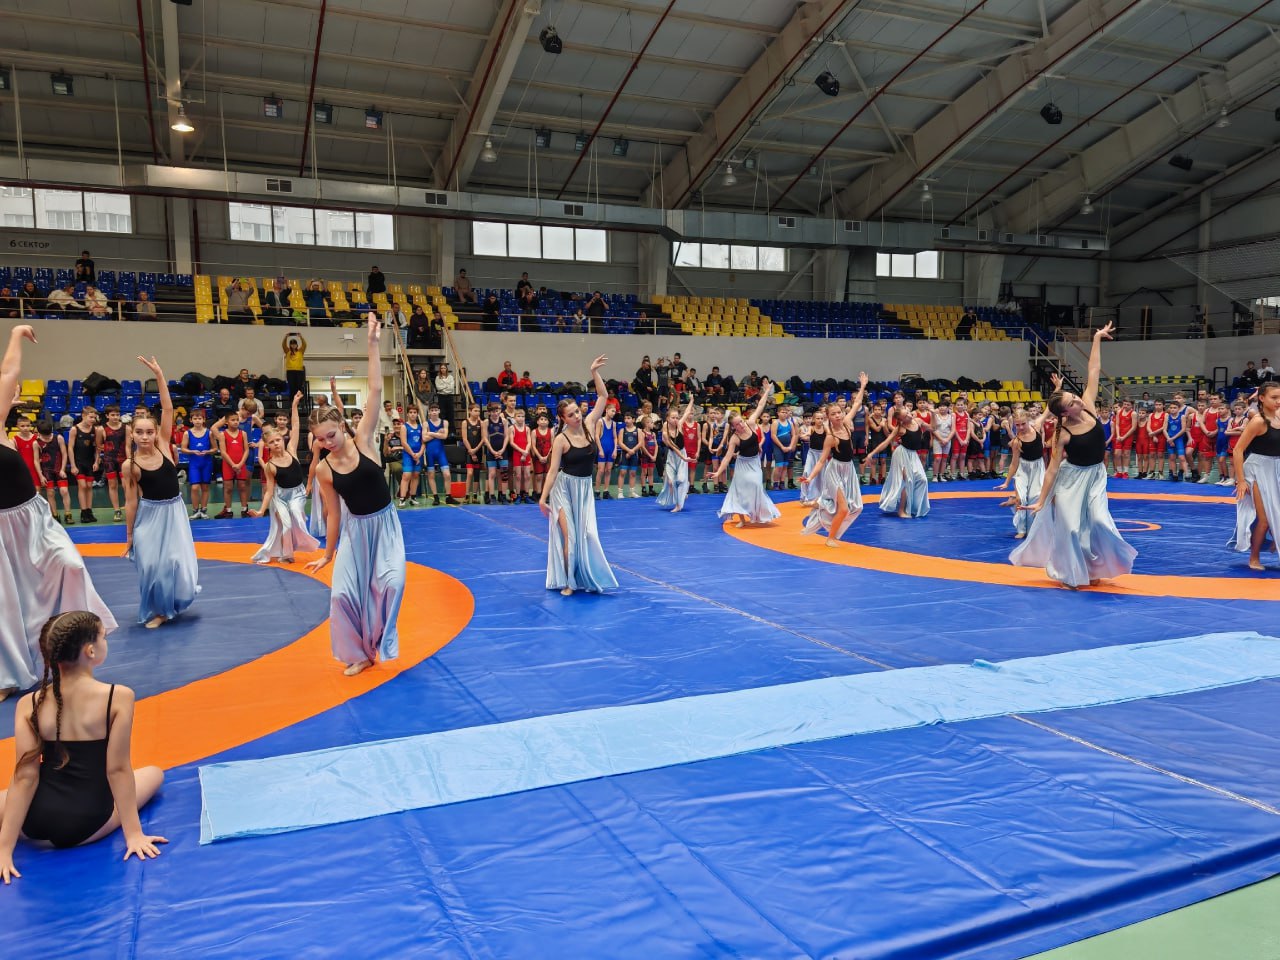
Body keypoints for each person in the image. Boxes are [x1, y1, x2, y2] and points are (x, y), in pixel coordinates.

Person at [0, 612, 165, 880]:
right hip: (87, 822)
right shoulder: (117, 697)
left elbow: (25, 777)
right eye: (103, 636)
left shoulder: (28, 704)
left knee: (10, 791)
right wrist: (133, 834)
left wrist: (4, 849)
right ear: (90, 650)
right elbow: (118, 770)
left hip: (34, 819)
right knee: (154, 772)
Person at [0, 327, 116, 700]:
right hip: (1, 530)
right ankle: (7, 674)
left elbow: (8, 374)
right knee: (6, 605)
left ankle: (74, 646)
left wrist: (16, 334)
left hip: (33, 519)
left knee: (71, 565)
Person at [306, 317, 405, 676]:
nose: (328, 442)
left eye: (331, 434)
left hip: (385, 527)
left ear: (341, 427)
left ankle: (378, 640)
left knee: (391, 584)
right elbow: (333, 514)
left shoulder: (363, 439)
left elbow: (376, 391)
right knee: (342, 595)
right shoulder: (323, 470)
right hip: (354, 531)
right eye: (321, 439)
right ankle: (358, 653)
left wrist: (373, 344)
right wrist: (328, 553)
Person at [1011, 322, 1137, 588]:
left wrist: (1097, 338)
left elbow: (1093, 370)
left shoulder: (1089, 406)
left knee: (1100, 523)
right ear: (1065, 413)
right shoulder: (1063, 433)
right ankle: (1070, 572)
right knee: (1070, 528)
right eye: (1071, 402)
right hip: (1071, 480)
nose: (1078, 400)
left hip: (1095, 475)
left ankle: (1096, 567)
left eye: (1074, 397)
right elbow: (1053, 470)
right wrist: (1042, 501)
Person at [122, 356, 201, 627]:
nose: (145, 437)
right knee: (150, 567)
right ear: (132, 435)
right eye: (139, 433)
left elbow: (167, 409)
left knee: (172, 563)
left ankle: (165, 610)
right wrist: (130, 535)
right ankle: (156, 607)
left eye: (149, 432)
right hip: (150, 516)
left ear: (156, 433)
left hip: (173, 511)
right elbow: (131, 502)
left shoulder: (165, 446)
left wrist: (159, 375)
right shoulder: (129, 465)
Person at [539, 356, 619, 596]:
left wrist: (594, 373)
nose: (577, 416)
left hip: (584, 489)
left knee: (588, 535)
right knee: (570, 537)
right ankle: (568, 582)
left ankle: (585, 573)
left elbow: (604, 397)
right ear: (563, 418)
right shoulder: (561, 439)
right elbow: (553, 471)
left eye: (577, 411)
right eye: (571, 414)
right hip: (564, 489)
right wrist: (543, 498)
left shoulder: (589, 423)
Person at [248, 393, 319, 564]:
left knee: (296, 514)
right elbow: (269, 492)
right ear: (268, 446)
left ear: (283, 440)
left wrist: (294, 405)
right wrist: (260, 510)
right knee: (285, 524)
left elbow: (295, 425)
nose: (277, 443)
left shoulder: (292, 451)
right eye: (272, 442)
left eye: (278, 440)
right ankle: (288, 554)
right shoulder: (270, 466)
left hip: (297, 493)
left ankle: (298, 538)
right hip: (280, 496)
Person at [800, 374, 869, 545]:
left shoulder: (846, 422)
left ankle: (820, 503)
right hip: (835, 471)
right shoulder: (830, 437)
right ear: (828, 417)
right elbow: (822, 461)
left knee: (856, 506)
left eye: (839, 412)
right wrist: (809, 478)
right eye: (834, 414)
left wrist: (862, 385)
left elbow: (858, 403)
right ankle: (830, 538)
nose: (838, 415)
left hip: (848, 469)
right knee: (844, 508)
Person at [711, 382, 781, 527]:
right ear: (733, 427)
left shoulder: (751, 423)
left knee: (756, 486)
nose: (741, 425)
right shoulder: (734, 438)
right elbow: (727, 457)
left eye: (741, 422)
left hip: (755, 462)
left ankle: (758, 514)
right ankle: (742, 519)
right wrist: (718, 472)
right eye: (737, 424)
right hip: (743, 463)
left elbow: (760, 406)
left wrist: (767, 391)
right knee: (740, 490)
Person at [1229, 382, 1280, 570]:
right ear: (1261, 398)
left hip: (1276, 467)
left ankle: (1275, 541)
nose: (1278, 402)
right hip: (1257, 470)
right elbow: (1237, 450)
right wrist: (1241, 480)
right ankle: (1254, 558)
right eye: (1274, 398)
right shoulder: (1259, 421)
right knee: (1264, 519)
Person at [995, 404, 1049, 539]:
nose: (1020, 428)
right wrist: (1007, 482)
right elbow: (1014, 463)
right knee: (1021, 499)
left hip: (1037, 467)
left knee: (1035, 497)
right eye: (1017, 425)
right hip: (1023, 469)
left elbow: (1049, 409)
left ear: (1028, 420)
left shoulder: (1036, 427)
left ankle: (1033, 528)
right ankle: (1021, 528)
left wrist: (1058, 388)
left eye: (1023, 424)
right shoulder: (1016, 442)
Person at [867, 408, 932, 518]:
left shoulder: (918, 421)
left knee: (922, 479)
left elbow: (933, 427)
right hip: (902, 455)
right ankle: (901, 510)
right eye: (905, 415)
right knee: (907, 481)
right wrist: (871, 453)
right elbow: (886, 442)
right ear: (901, 420)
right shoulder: (900, 428)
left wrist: (934, 414)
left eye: (908, 412)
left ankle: (914, 507)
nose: (909, 415)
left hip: (913, 455)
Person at [656, 395, 697, 513]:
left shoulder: (679, 425)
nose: (676, 419)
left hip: (682, 454)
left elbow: (687, 411)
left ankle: (681, 500)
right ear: (667, 418)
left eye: (677, 417)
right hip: (673, 455)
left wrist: (692, 400)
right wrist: (684, 457)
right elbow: (673, 447)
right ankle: (679, 503)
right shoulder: (665, 432)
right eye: (673, 417)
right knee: (670, 482)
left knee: (680, 479)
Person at [35, 419, 74, 525]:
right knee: (50, 493)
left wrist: (62, 469)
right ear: (39, 432)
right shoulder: (36, 442)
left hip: (59, 469)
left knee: (64, 491)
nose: (47, 438)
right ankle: (55, 515)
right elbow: (36, 460)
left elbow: (64, 454)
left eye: (48, 435)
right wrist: (41, 475)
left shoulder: (59, 438)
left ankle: (68, 514)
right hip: (47, 471)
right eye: (45, 436)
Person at [422, 402, 458, 506]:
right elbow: (424, 438)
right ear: (429, 412)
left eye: (435, 410)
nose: (434, 412)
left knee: (447, 474)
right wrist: (438, 433)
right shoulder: (426, 423)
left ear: (439, 411)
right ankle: (436, 497)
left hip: (440, 452)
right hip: (430, 453)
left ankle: (448, 496)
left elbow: (444, 436)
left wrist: (431, 433)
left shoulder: (444, 422)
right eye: (432, 410)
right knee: (431, 475)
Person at [282, 333, 307, 400]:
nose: (293, 345)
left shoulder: (300, 351)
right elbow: (283, 345)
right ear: (290, 345)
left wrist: (301, 337)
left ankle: (299, 401)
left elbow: (304, 345)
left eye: (295, 344)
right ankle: (292, 401)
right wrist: (286, 337)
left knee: (299, 387)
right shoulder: (287, 351)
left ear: (296, 345)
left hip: (299, 371)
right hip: (290, 371)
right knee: (292, 387)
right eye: (292, 344)